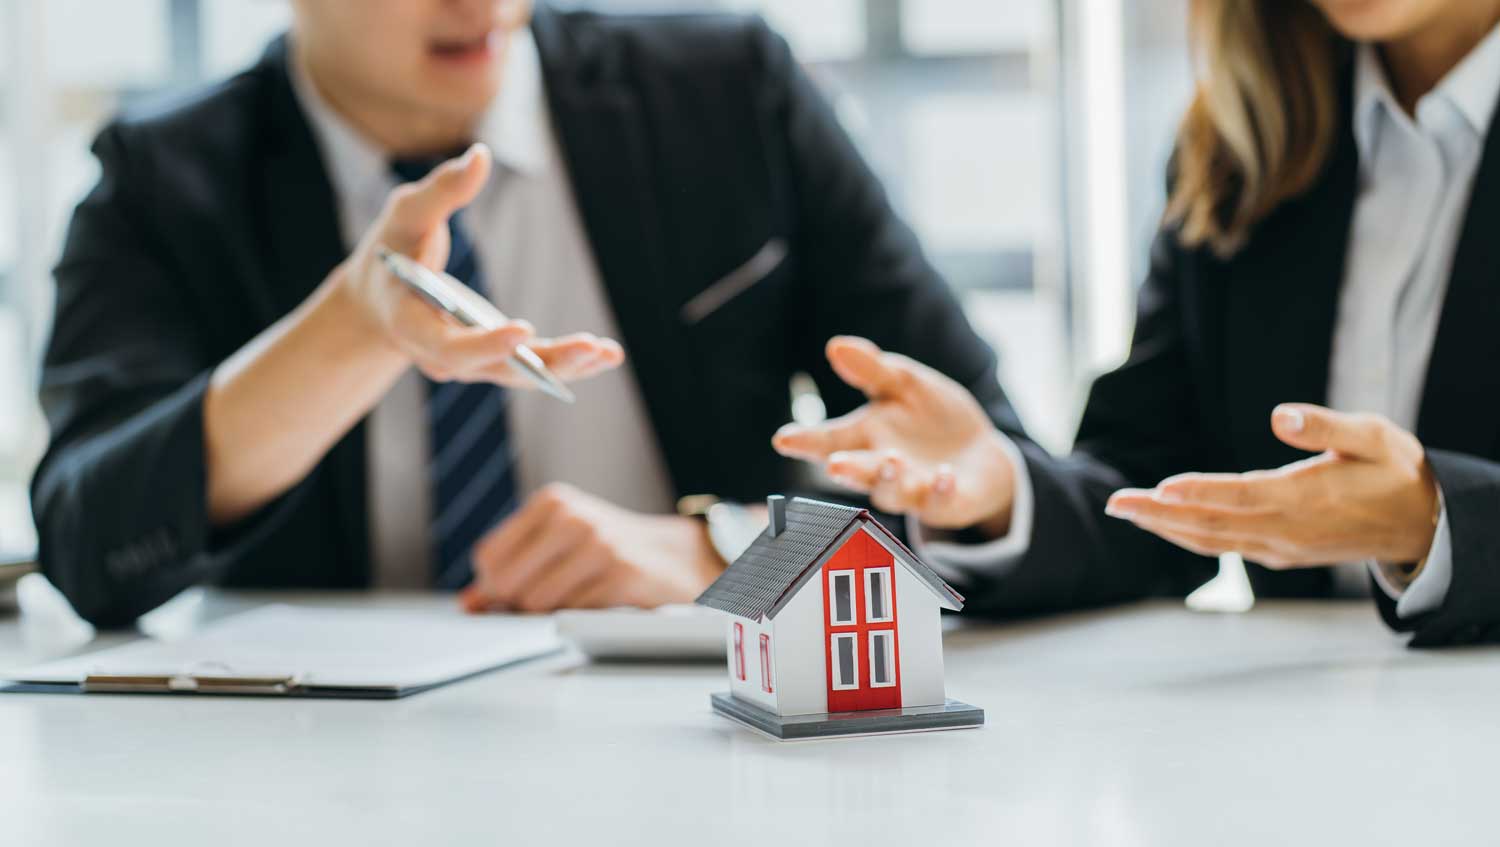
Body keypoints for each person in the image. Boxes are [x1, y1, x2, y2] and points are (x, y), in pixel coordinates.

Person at [30, 0, 1026, 627]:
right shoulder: (161, 180)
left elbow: (998, 478)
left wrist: (728, 554)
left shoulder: (729, 93)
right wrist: (348, 330)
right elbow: (89, 550)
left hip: (715, 745)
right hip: (326, 773)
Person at [775, 0, 1500, 648]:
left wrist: (1441, 520)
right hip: (1298, 746)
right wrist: (1006, 496)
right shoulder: (1246, 147)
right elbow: (1155, 490)